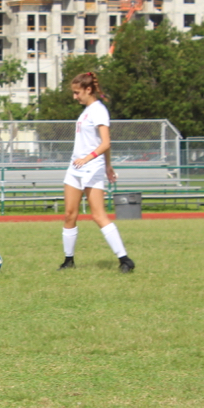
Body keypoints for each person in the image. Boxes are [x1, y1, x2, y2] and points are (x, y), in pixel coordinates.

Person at [58, 71, 135, 273]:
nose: (75, 97)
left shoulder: (99, 110)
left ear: (88, 89)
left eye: (77, 93)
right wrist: (108, 164)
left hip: (91, 168)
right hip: (76, 169)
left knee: (98, 215)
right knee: (69, 215)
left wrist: (92, 160)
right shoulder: (85, 112)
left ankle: (125, 259)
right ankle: (68, 260)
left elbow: (106, 142)